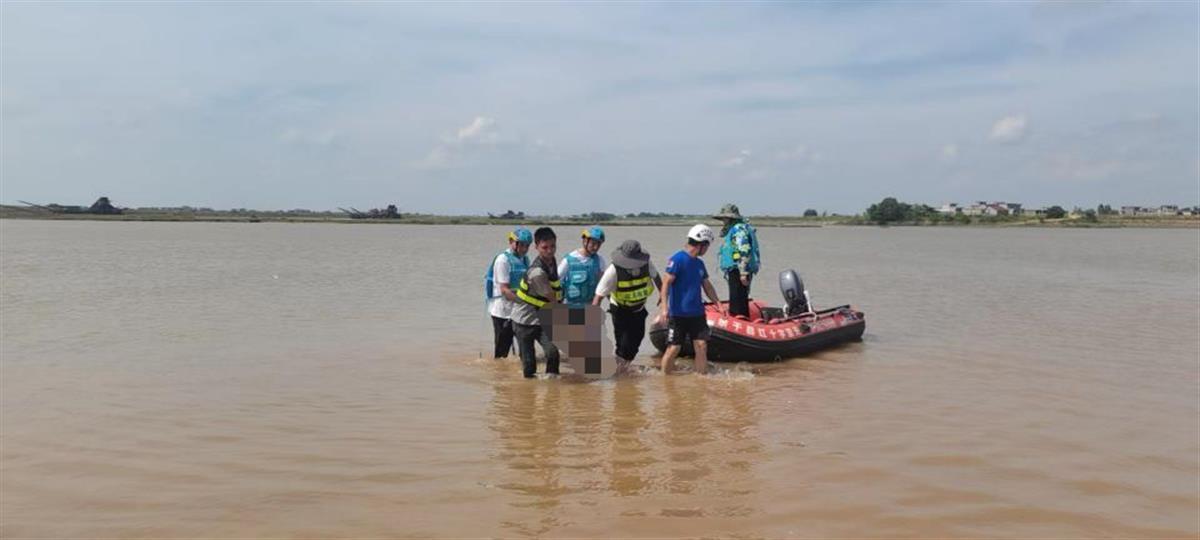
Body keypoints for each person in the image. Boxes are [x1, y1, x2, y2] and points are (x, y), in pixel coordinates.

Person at [655, 224, 725, 375]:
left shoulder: (700, 264)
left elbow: (707, 285)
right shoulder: (677, 260)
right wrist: (664, 309)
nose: (707, 250)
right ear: (702, 244)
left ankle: (701, 379)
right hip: (678, 314)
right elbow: (666, 284)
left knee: (701, 346)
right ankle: (664, 379)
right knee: (674, 348)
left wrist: (718, 303)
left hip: (697, 314)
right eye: (707, 246)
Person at [592, 240, 662, 370]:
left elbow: (657, 277)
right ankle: (618, 372)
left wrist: (663, 296)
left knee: (638, 338)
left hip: (639, 308)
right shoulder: (613, 270)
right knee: (623, 344)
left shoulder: (646, 264)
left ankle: (623, 366)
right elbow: (599, 295)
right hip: (620, 310)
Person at [510, 227, 563, 379]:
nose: (550, 251)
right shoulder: (537, 272)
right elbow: (552, 298)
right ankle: (529, 395)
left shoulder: (552, 261)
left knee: (552, 352)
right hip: (523, 321)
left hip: (541, 319)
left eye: (553, 246)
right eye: (545, 247)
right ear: (536, 247)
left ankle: (552, 388)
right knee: (529, 365)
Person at [484, 227, 531, 358]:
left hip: (518, 310)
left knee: (525, 345)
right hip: (502, 311)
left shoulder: (525, 260)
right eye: (521, 245)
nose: (524, 249)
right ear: (511, 242)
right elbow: (504, 290)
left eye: (527, 246)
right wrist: (523, 303)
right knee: (502, 351)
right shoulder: (502, 260)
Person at [713, 203, 760, 319]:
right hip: (735, 268)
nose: (723, 220)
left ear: (730, 218)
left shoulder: (738, 229)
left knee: (738, 299)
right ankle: (740, 317)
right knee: (737, 298)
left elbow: (743, 249)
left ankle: (740, 319)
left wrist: (743, 272)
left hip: (739, 269)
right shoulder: (735, 228)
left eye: (724, 218)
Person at [558, 226, 606, 308]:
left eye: (599, 244)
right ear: (585, 241)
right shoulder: (568, 260)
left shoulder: (600, 261)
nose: (596, 247)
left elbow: (604, 285)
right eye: (593, 243)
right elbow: (557, 282)